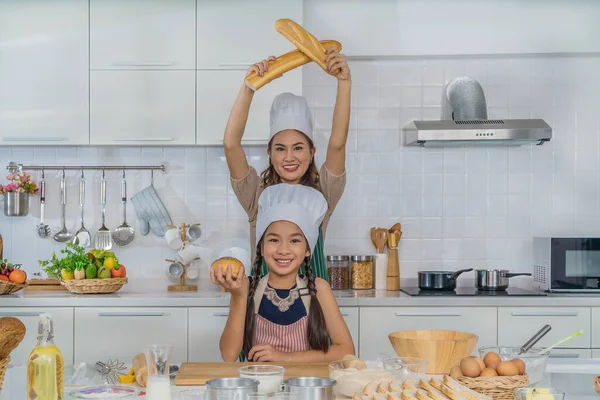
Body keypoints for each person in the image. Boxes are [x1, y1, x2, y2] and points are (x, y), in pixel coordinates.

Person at [223, 47, 351, 281]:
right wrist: (249, 87)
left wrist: (344, 82)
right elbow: (231, 144)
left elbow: (337, 144)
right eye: (280, 148)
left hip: (312, 306)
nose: (289, 157)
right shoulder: (256, 194)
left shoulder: (325, 191)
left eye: (298, 148)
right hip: (261, 306)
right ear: (269, 153)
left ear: (312, 152)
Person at [212, 184, 355, 362]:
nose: (283, 250)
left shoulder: (319, 288)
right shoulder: (247, 287)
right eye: (274, 240)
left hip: (304, 387)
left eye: (294, 240)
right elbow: (229, 355)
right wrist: (238, 296)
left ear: (307, 250)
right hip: (259, 386)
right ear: (261, 249)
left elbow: (346, 351)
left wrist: (284, 357)